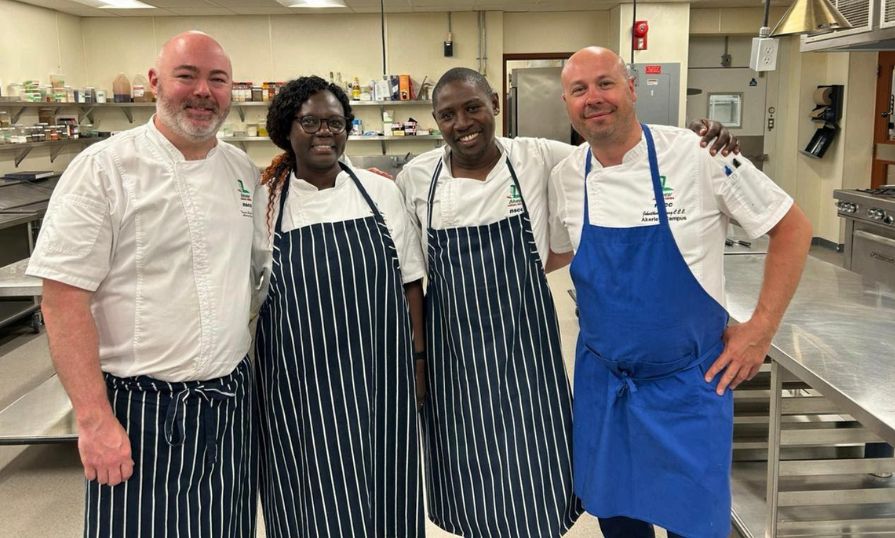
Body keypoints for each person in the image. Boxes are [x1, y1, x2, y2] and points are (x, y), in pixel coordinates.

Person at [395, 67, 738, 537]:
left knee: (534, 464)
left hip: (526, 349)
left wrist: (695, 139)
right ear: (436, 120)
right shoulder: (416, 178)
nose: (463, 123)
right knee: (465, 465)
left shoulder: (541, 157)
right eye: (448, 115)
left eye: (473, 107)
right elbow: (411, 271)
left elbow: (615, 149)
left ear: (495, 104)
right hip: (453, 352)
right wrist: (418, 359)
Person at [549, 46, 813, 538]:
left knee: (695, 526)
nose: (593, 98)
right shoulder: (566, 176)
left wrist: (760, 330)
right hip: (604, 387)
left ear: (631, 88)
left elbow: (792, 228)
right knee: (618, 523)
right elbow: (558, 253)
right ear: (567, 103)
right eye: (579, 90)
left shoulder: (700, 154)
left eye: (605, 83)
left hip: (688, 388)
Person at [26, 31, 258, 537]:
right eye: (186, 76)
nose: (203, 91)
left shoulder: (241, 169)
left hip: (230, 403)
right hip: (140, 411)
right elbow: (62, 301)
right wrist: (93, 420)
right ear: (155, 82)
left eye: (217, 80)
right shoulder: (103, 169)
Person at [252, 75, 427, 538]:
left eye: (335, 122)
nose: (324, 132)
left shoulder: (380, 192)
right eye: (310, 122)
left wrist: (419, 362)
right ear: (286, 129)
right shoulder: (264, 203)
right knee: (306, 496)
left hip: (380, 377)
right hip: (296, 383)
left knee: (386, 488)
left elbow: (411, 282)